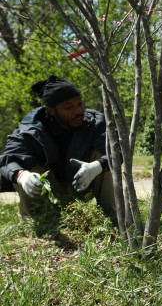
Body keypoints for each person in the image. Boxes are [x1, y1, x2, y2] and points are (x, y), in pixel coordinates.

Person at [0, 75, 116, 221]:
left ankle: (114, 218)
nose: (78, 111)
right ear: (51, 111)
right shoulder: (30, 128)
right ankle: (36, 223)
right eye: (68, 107)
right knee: (23, 165)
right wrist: (22, 176)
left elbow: (117, 151)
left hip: (81, 183)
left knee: (106, 157)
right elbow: (7, 159)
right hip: (46, 191)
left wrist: (97, 166)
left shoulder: (94, 122)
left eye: (80, 104)